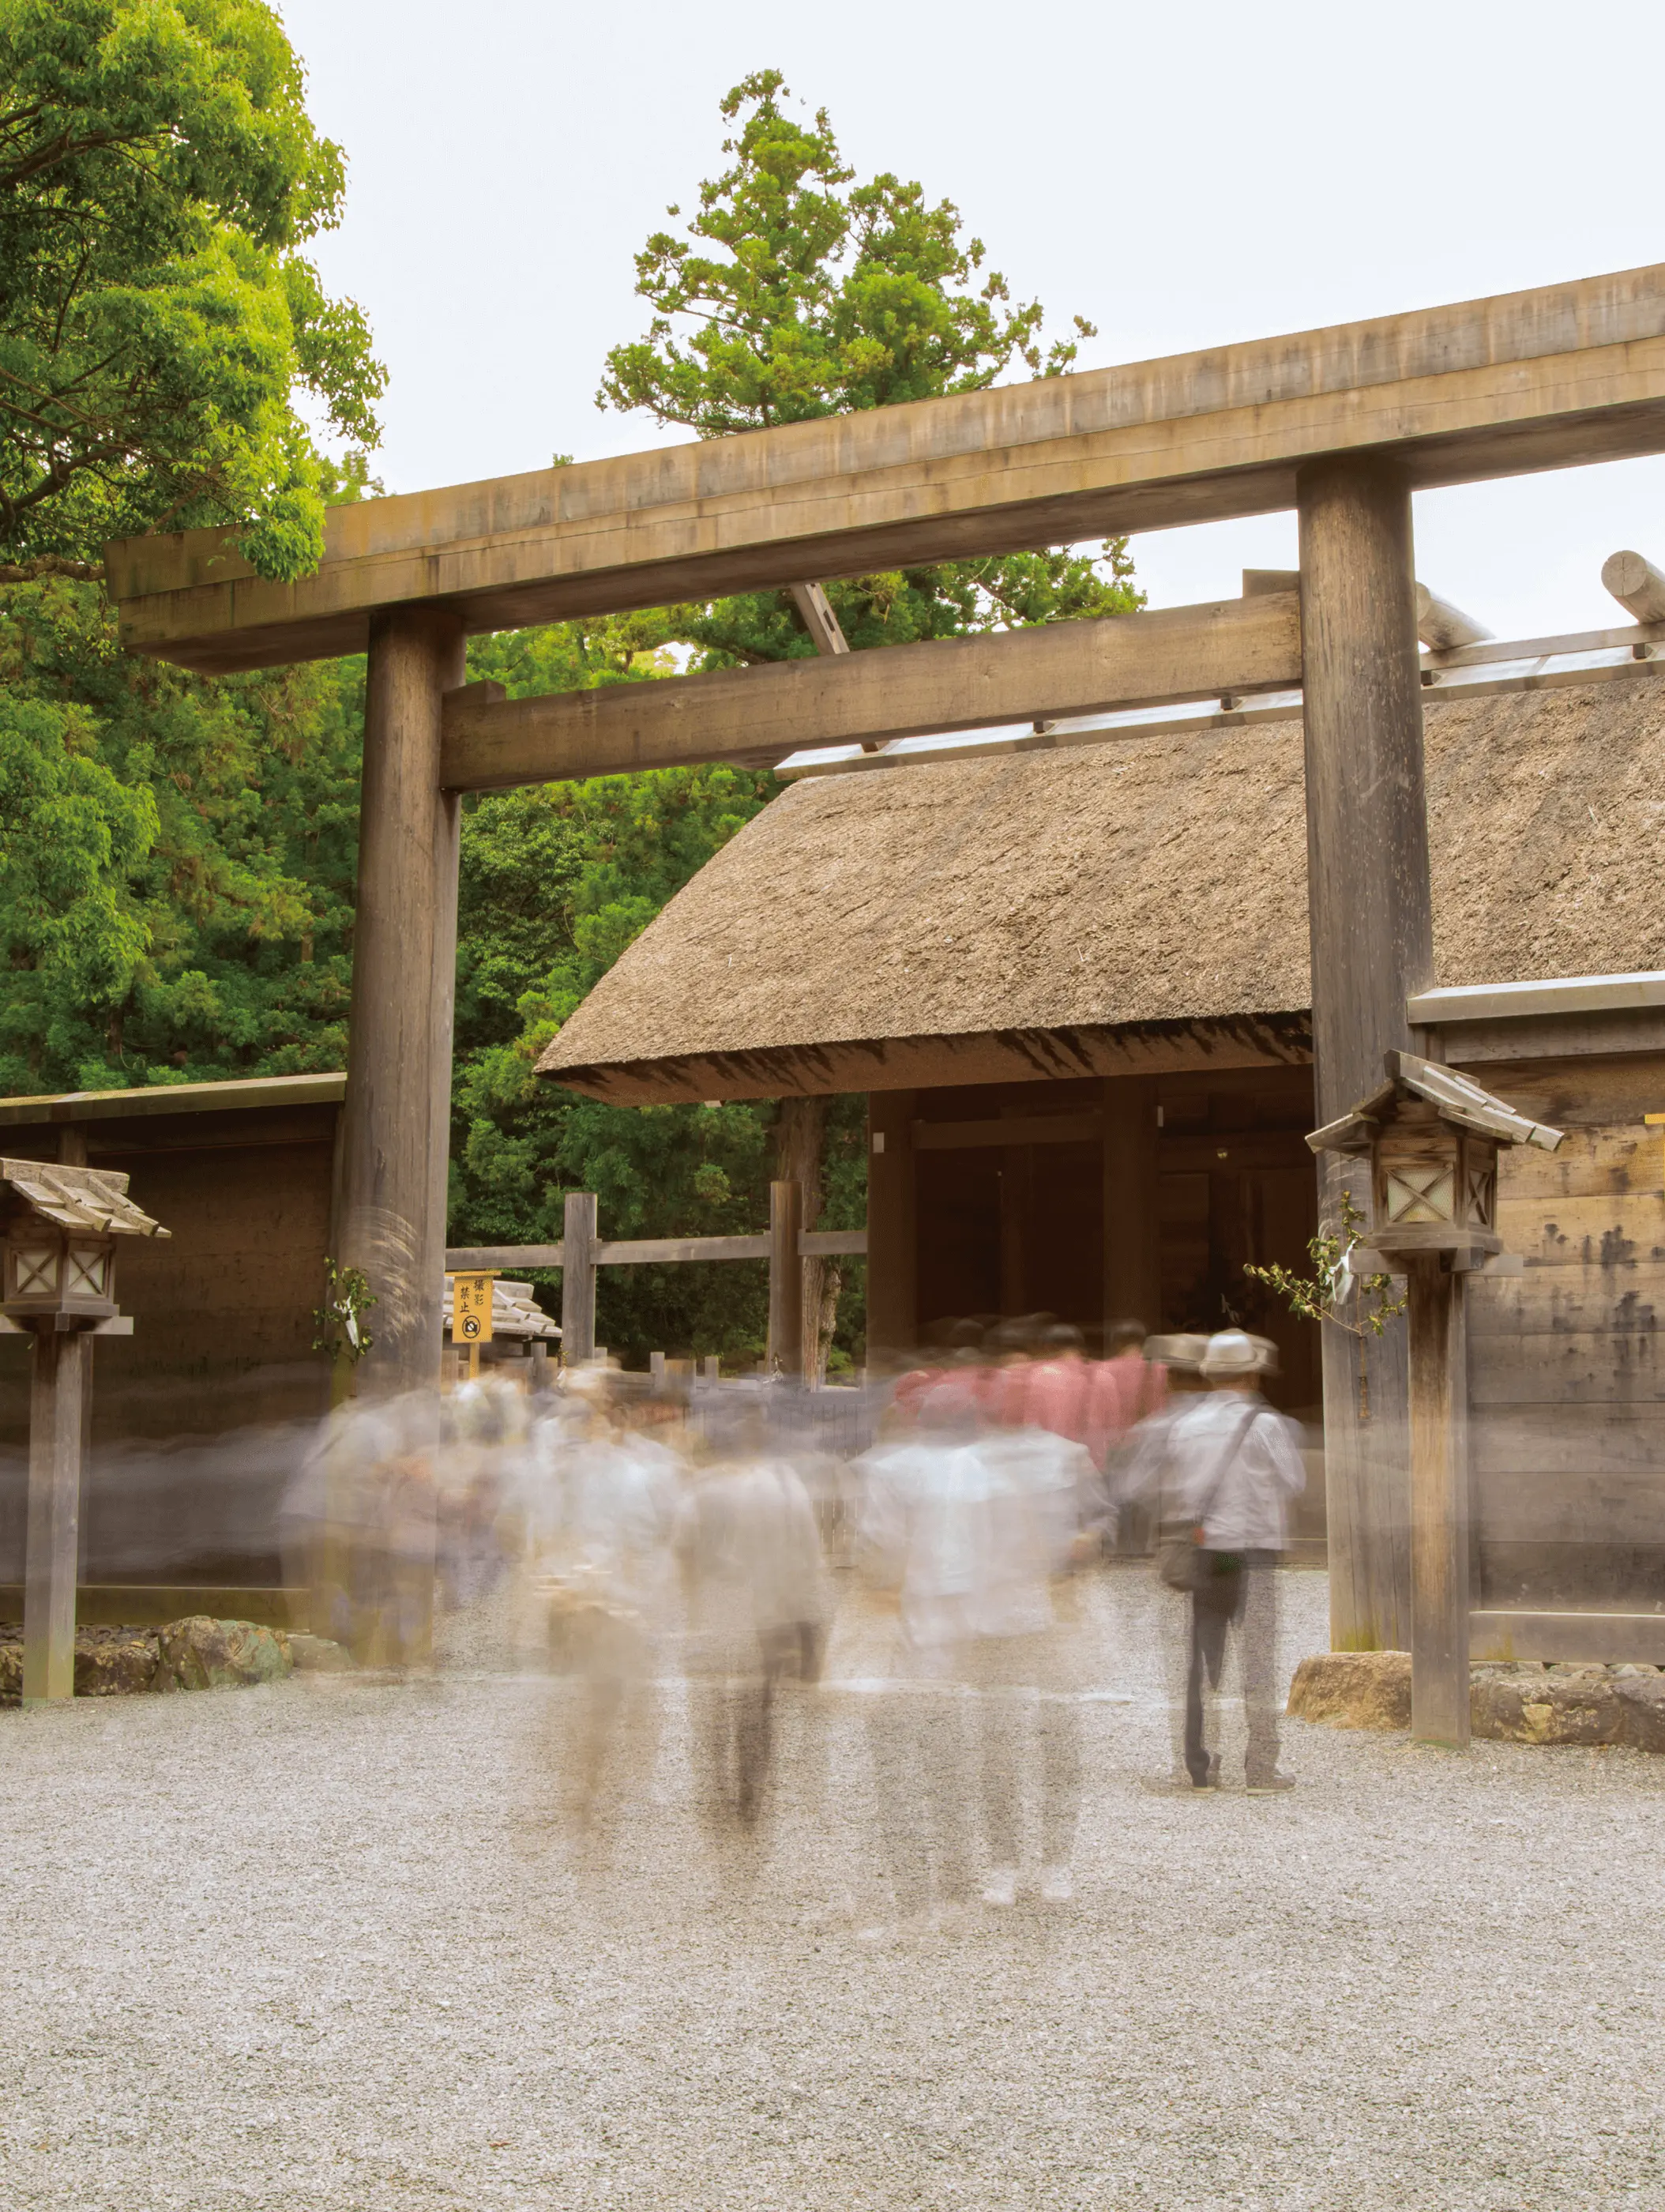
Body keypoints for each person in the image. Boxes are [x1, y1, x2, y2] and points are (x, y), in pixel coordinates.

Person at [1121, 1329, 1304, 1793]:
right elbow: (1295, 1479)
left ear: (1211, 1374)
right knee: (1258, 1659)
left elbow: (1167, 1486)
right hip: (1254, 1553)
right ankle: (1261, 1767)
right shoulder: (1267, 1425)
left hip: (1209, 1553)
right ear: (1250, 1374)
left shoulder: (1186, 1425)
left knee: (1204, 1660)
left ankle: (1200, 1767)